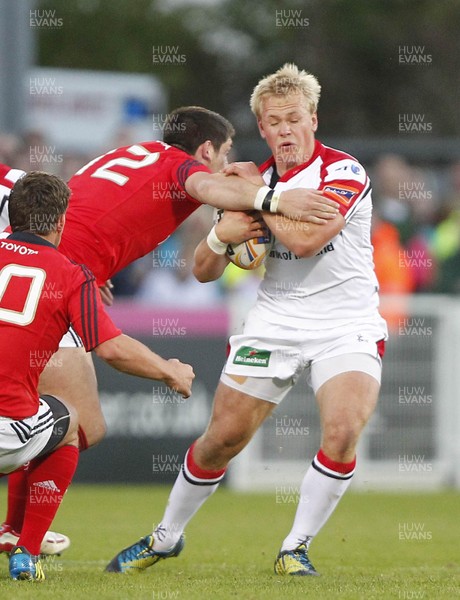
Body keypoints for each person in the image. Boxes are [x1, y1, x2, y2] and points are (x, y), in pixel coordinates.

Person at [0, 106, 340, 555]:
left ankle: (16, 532)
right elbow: (205, 184)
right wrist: (273, 200)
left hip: (35, 258)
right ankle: (19, 537)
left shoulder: (135, 152)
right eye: (223, 154)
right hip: (49, 273)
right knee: (69, 424)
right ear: (204, 150)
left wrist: (89, 269)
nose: (225, 165)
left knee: (62, 422)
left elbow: (87, 208)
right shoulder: (180, 167)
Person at [105, 64, 388, 577]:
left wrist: (259, 197)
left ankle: (294, 548)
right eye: (273, 121)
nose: (284, 130)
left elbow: (305, 240)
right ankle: (166, 536)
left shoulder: (343, 172)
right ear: (261, 128)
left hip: (346, 322)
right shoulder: (251, 184)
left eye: (293, 118)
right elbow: (205, 271)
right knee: (222, 439)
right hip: (275, 320)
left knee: (344, 430)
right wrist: (223, 233)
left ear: (313, 120)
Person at [0, 171, 194, 580]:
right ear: (61, 222)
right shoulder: (71, 274)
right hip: (6, 432)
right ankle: (25, 551)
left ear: (11, 217)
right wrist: (169, 370)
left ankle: (12, 529)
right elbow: (112, 349)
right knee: (70, 423)